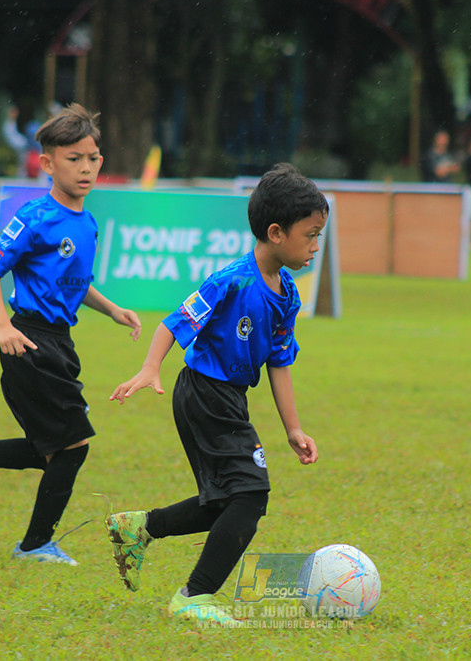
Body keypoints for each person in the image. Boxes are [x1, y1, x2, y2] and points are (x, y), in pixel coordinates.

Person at [0, 104, 142, 566]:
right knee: (72, 447)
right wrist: (2, 326)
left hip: (61, 342)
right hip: (29, 340)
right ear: (48, 163)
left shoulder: (88, 222)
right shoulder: (35, 216)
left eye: (92, 157)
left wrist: (112, 308)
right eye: (73, 158)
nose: (85, 167)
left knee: (49, 451)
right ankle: (35, 545)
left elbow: (76, 283)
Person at [106, 162, 323, 625]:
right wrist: (149, 368)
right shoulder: (232, 280)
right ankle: (194, 596)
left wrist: (294, 428)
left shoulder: (288, 294)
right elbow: (173, 322)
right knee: (251, 495)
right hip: (203, 393)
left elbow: (279, 362)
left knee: (228, 501)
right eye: (311, 235)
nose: (316, 246)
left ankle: (140, 527)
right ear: (276, 232)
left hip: (229, 399)